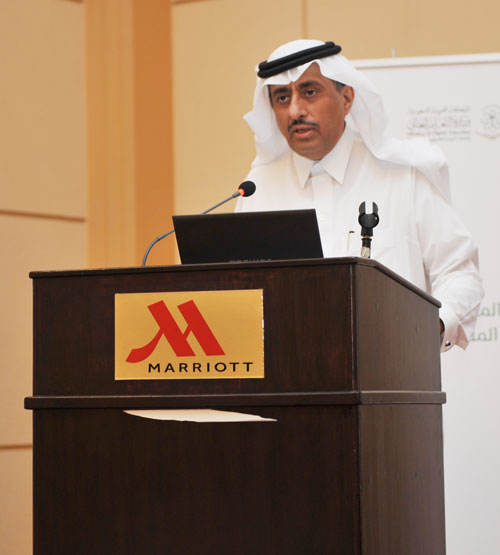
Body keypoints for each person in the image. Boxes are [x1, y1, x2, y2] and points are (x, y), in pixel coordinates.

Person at [236, 39, 483, 351]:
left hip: (393, 369)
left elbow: (460, 273)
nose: (295, 110)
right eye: (282, 97)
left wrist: (431, 326)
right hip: (286, 371)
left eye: (309, 92)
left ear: (347, 98)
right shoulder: (257, 188)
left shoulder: (403, 175)